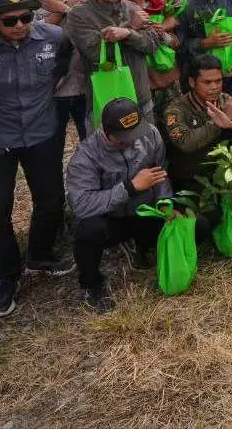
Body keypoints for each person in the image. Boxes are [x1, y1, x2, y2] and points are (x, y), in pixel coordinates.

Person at [0, 0, 73, 319]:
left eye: (26, 17)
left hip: (41, 133)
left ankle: (40, 255)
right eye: (10, 21)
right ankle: (6, 275)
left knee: (51, 200)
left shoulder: (53, 37)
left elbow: (62, 67)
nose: (21, 25)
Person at [66, 97, 171, 314]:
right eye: (124, 138)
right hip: (111, 220)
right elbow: (82, 205)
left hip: (143, 212)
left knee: (197, 226)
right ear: (106, 132)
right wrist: (129, 188)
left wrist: (164, 203)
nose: (132, 141)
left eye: (135, 134)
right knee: (89, 231)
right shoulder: (86, 156)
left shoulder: (150, 134)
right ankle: (92, 285)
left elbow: (161, 171)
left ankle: (140, 246)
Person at [63, 0, 163, 118]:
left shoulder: (132, 7)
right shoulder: (79, 14)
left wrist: (128, 33)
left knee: (146, 134)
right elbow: (95, 53)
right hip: (106, 102)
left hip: (141, 97)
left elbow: (152, 45)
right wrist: (131, 27)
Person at [163, 54, 232, 195]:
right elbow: (185, 142)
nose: (214, 87)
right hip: (192, 176)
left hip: (226, 169)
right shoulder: (175, 110)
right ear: (192, 82)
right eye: (207, 82)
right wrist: (218, 123)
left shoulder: (225, 100)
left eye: (218, 81)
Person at [32, 0, 90, 146]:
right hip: (51, 91)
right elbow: (30, 38)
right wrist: (60, 13)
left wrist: (67, 9)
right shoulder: (31, 5)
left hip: (87, 84)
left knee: (94, 144)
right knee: (50, 149)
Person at [120, 0, 182, 118]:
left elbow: (176, 42)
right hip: (138, 87)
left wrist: (163, 34)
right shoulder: (119, 9)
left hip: (168, 82)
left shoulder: (159, 4)